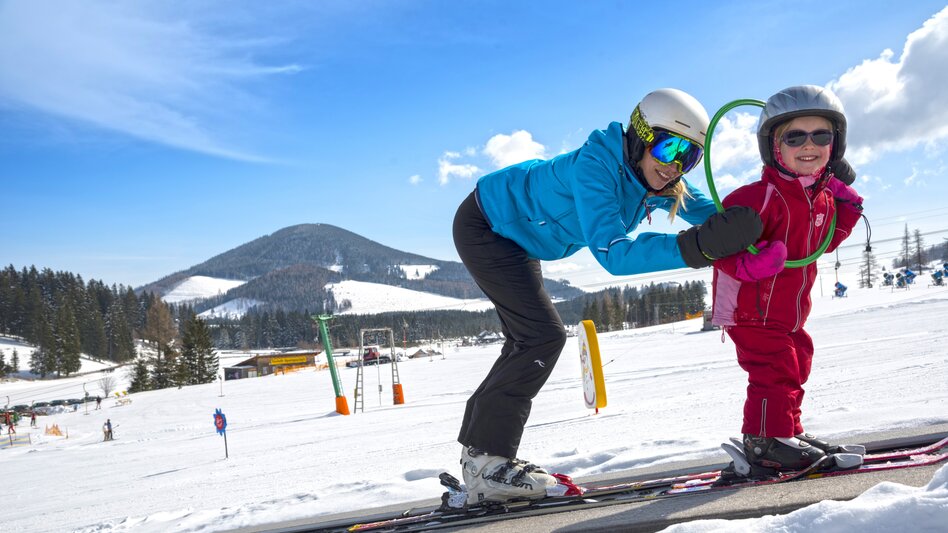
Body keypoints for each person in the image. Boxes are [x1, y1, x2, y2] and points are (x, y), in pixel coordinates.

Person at [453, 88, 764, 503]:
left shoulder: (656, 175)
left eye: (689, 157)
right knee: (541, 337)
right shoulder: (595, 166)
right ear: (639, 136)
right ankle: (487, 463)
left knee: (531, 338)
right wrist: (696, 247)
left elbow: (721, 219)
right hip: (487, 225)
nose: (675, 165)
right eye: (669, 146)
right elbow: (613, 254)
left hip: (519, 239)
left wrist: (775, 222)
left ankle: (482, 458)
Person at [710, 85, 864, 473]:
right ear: (774, 147)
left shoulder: (822, 197)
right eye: (795, 136)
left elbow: (824, 243)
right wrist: (750, 264)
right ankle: (765, 440)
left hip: (789, 312)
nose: (808, 145)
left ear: (835, 144)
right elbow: (718, 247)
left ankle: (787, 431)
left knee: (797, 361)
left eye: (821, 135)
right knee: (775, 367)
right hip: (752, 310)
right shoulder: (757, 197)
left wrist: (845, 206)